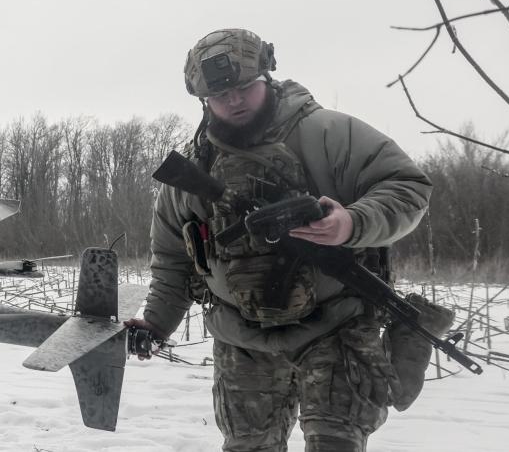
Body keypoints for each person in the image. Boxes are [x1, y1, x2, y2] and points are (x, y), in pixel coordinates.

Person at [127, 28, 436, 452]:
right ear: (203, 101)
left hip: (335, 322)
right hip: (241, 334)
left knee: (335, 443)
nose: (234, 100)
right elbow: (173, 259)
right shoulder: (193, 168)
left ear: (267, 78)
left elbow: (408, 186)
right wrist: (156, 323)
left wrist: (351, 222)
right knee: (247, 446)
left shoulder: (329, 133)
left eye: (244, 88)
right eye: (221, 96)